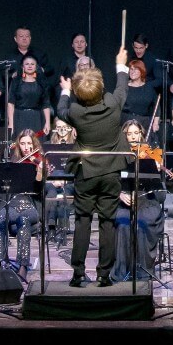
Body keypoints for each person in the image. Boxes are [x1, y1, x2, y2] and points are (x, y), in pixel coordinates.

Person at [56, 46, 130, 287]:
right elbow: (122, 86)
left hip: (86, 173)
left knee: (83, 220)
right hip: (110, 172)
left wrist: (65, 90)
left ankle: (78, 274)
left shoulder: (76, 112)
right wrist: (120, 64)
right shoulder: (113, 104)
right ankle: (104, 275)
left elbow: (60, 110)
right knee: (107, 222)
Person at [112, 119, 167, 281]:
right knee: (123, 224)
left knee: (142, 224)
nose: (133, 137)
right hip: (124, 200)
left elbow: (160, 193)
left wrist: (156, 170)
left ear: (141, 134)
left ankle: (143, 271)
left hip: (147, 201)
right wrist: (119, 194)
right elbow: (110, 181)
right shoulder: (117, 154)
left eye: (136, 133)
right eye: (129, 134)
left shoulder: (151, 153)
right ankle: (123, 271)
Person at [0, 129, 49, 280]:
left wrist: (39, 172)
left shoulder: (39, 160)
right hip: (12, 203)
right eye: (23, 143)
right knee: (0, 217)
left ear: (34, 144)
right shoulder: (13, 161)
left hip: (30, 204)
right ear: (18, 145)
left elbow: (39, 190)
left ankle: (23, 266)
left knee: (23, 220)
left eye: (29, 143)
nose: (26, 147)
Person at [8, 55, 51, 137]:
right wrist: (11, 124)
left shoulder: (42, 83)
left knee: (37, 141)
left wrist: (48, 123)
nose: (30, 66)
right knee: (20, 141)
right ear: (22, 66)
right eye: (27, 64)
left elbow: (46, 104)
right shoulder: (16, 82)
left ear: (36, 66)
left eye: (32, 64)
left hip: (37, 118)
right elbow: (11, 103)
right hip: (19, 117)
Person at [123, 59, 161, 130]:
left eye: (136, 69)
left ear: (141, 71)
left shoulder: (149, 87)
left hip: (144, 123)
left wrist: (156, 123)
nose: (132, 72)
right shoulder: (124, 87)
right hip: (127, 122)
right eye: (131, 69)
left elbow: (157, 107)